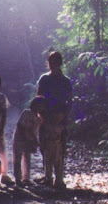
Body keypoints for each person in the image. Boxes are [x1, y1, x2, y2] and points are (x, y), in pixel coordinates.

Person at [37, 51, 72, 189]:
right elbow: (38, 98)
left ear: (60, 63)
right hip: (45, 117)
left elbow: (69, 101)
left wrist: (63, 115)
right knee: (45, 147)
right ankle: (48, 176)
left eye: (56, 62)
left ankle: (59, 178)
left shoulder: (66, 81)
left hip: (60, 118)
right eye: (51, 62)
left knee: (60, 148)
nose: (53, 65)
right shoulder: (44, 79)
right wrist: (42, 116)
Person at [12, 96, 46, 186]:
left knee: (27, 159)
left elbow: (34, 132)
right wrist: (26, 137)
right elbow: (20, 125)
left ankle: (26, 178)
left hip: (28, 140)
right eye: (40, 105)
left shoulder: (38, 119)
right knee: (17, 159)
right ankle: (18, 179)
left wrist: (34, 141)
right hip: (19, 139)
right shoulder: (26, 113)